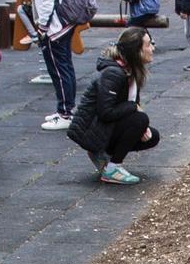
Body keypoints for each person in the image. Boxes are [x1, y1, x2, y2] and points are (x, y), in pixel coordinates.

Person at [67, 26, 160, 185]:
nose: (152, 48)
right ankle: (112, 168)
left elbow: (129, 104)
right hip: (89, 130)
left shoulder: (130, 69)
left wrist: (135, 111)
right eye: (148, 45)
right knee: (140, 119)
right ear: (135, 50)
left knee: (152, 135)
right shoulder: (113, 73)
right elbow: (105, 112)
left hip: (102, 127)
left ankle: (103, 154)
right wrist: (133, 108)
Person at [23, 0, 79, 129]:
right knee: (64, 65)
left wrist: (43, 27)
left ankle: (65, 113)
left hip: (55, 24)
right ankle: (65, 108)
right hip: (65, 20)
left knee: (58, 67)